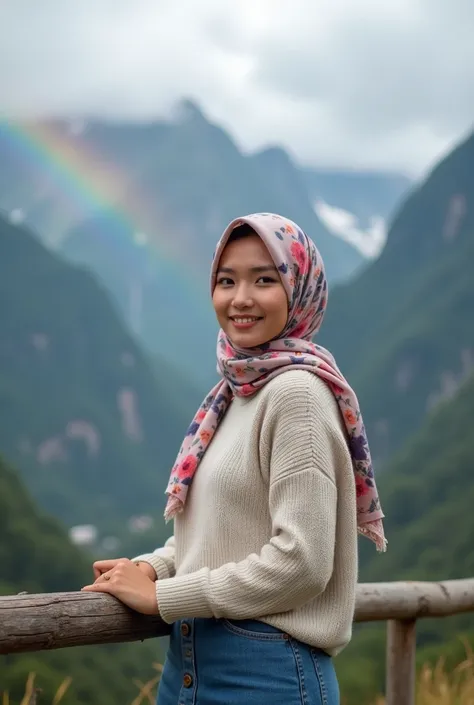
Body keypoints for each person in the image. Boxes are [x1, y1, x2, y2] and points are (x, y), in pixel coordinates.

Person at [82, 213, 386, 705]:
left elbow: (302, 562)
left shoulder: (296, 394)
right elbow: (223, 532)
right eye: (227, 281)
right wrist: (149, 569)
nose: (240, 298)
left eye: (264, 279)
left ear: (300, 290)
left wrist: (162, 599)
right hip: (190, 664)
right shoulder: (237, 390)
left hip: (269, 674)